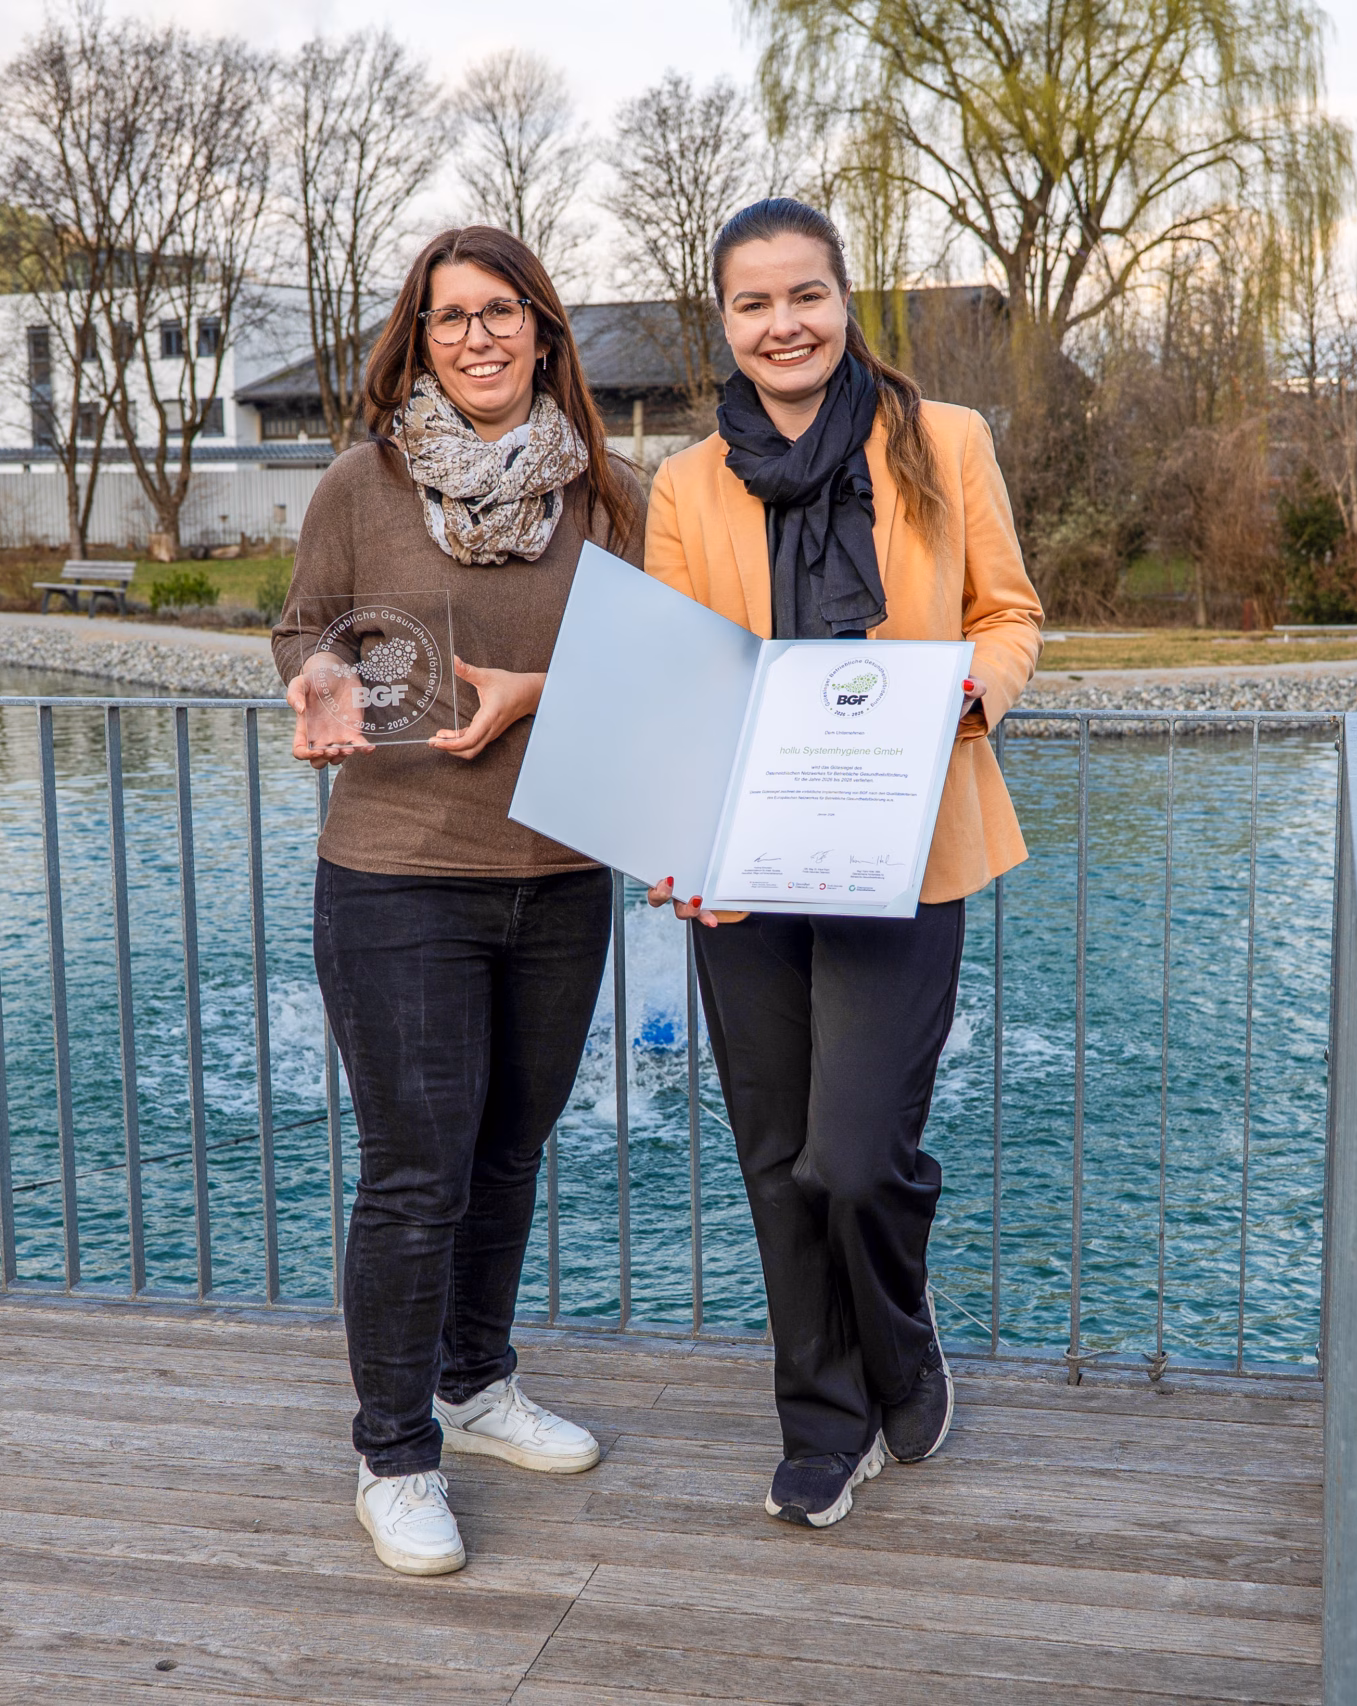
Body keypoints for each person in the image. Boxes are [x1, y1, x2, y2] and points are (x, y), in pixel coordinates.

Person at [642, 199, 1043, 1528]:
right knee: (777, 1158)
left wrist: (969, 696)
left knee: (859, 1156)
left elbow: (1008, 613)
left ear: (843, 299)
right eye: (753, 303)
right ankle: (825, 1419)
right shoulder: (687, 485)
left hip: (908, 848)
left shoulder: (944, 441)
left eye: (804, 294)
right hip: (746, 868)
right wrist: (672, 836)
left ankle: (902, 1344)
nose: (783, 324)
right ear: (724, 321)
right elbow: (682, 684)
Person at [273, 226, 643, 1578]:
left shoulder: (612, 496)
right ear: (418, 339)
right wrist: (317, 679)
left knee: (507, 1157)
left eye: (500, 311)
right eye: (449, 316)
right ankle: (395, 1454)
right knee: (416, 1173)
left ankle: (475, 1385)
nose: (477, 335)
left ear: (543, 330)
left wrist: (541, 695)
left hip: (561, 876)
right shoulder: (360, 484)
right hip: (398, 875)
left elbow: (655, 668)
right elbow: (304, 629)